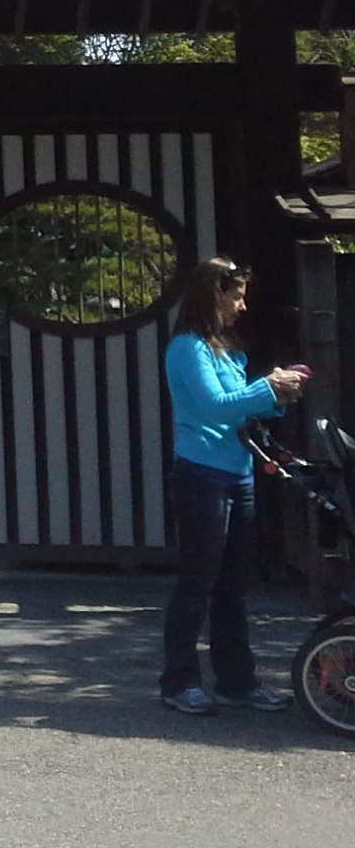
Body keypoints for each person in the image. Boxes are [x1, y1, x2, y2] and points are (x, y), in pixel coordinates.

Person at [160, 256, 306, 714]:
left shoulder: (225, 347)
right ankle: (178, 682)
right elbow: (213, 405)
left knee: (232, 586)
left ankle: (236, 681)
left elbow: (241, 407)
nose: (242, 304)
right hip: (201, 473)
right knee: (197, 583)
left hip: (237, 471)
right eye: (236, 293)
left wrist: (278, 397)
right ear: (213, 294)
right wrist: (267, 386)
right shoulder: (187, 347)